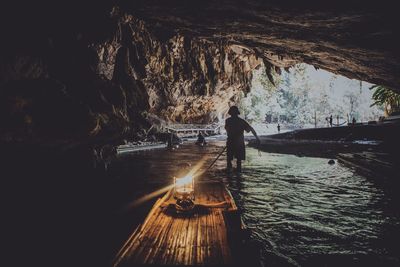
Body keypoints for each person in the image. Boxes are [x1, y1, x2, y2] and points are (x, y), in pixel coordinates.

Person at [225, 106, 260, 172]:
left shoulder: (228, 121)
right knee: (239, 161)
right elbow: (251, 129)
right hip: (239, 144)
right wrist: (257, 138)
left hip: (231, 142)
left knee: (229, 160)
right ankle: (238, 175)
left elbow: (227, 130)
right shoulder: (241, 121)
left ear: (230, 113)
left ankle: (229, 175)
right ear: (237, 113)